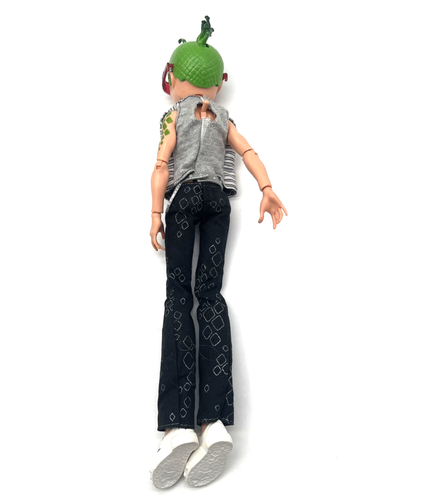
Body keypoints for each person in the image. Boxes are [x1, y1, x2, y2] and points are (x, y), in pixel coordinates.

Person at [149, 16, 287, 489]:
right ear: (216, 82)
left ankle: (177, 426)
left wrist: (155, 213)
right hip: (218, 204)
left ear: (175, 78)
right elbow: (248, 153)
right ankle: (214, 423)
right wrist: (266, 188)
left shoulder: (174, 116)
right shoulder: (225, 118)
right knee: (210, 296)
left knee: (178, 297)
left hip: (185, 198)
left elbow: (162, 164)